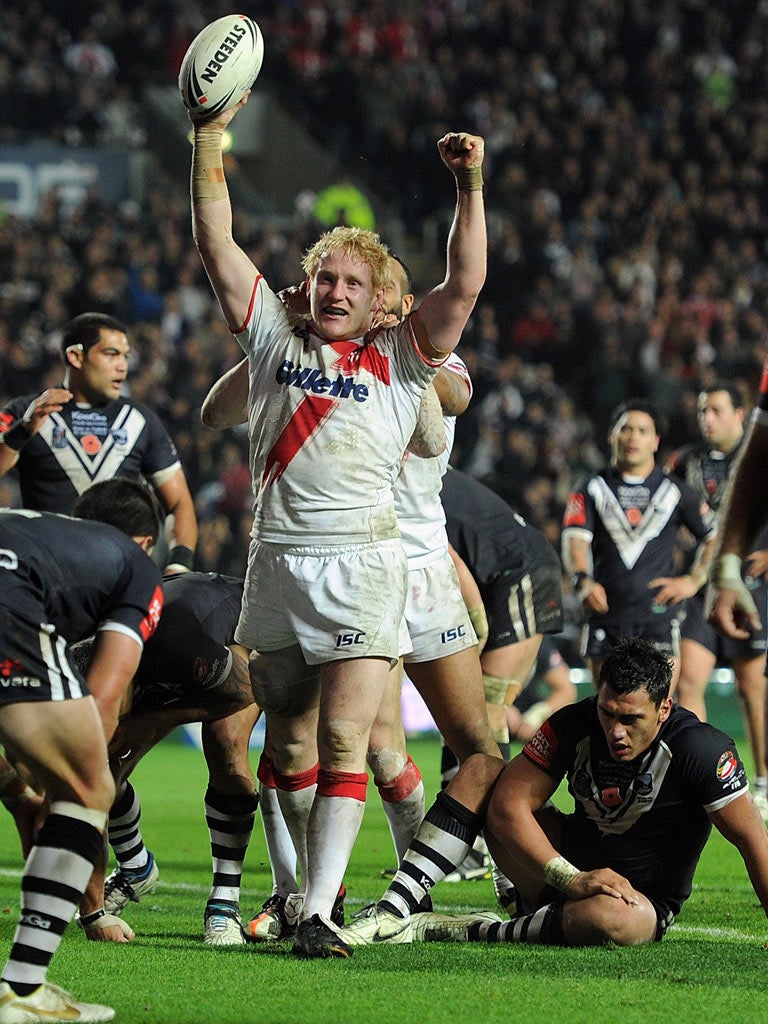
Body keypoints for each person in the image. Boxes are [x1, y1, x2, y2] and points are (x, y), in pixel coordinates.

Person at [189, 88, 486, 958]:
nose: (335, 289)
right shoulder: (275, 343)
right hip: (276, 564)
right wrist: (207, 139)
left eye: (354, 282)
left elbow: (463, 283)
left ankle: (317, 912)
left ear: (379, 300)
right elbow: (216, 241)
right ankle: (300, 892)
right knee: (286, 741)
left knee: (349, 736)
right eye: (326, 275)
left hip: (363, 565)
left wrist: (470, 189)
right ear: (307, 282)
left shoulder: (399, 360)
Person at [338, 635, 768, 950]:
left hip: (636, 902)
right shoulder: (574, 723)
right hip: (560, 871)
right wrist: (572, 877)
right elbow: (508, 806)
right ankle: (394, 910)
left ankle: (465, 928)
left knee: (612, 918)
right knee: (483, 769)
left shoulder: (702, 750)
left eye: (631, 719)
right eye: (607, 712)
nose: (616, 731)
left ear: (664, 710)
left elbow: (753, 839)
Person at [0, 477, 163, 1022]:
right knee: (90, 785)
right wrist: (64, 779)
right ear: (145, 542)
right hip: (8, 600)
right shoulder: (137, 569)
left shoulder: (37, 526)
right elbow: (106, 696)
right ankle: (22, 990)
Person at [71, 571, 261, 948]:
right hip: (151, 661)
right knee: (100, 765)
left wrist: (155, 719)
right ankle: (136, 865)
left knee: (225, 744)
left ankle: (225, 902)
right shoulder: (74, 665)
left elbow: (248, 690)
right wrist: (93, 912)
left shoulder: (177, 646)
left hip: (236, 632)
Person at [436, 466, 565, 882]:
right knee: (460, 711)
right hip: (494, 578)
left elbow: (448, 561)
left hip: (521, 573)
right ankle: (467, 846)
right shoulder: (408, 462)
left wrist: (471, 641)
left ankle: (502, 846)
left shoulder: (399, 479)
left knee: (486, 708)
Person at [0, 311, 198, 575]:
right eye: (111, 354)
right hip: (46, 575)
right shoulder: (27, 411)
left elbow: (178, 502)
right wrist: (22, 431)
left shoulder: (139, 421)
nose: (122, 366)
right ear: (76, 357)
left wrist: (179, 563)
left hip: (117, 578)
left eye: (125, 357)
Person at [561, 399, 717, 689]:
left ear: (656, 441)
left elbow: (713, 537)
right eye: (626, 429)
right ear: (612, 435)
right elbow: (574, 541)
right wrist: (582, 581)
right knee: (607, 710)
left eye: (643, 431)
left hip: (658, 617)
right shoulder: (590, 487)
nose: (633, 437)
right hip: (606, 615)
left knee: (659, 713)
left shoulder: (675, 491)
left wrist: (694, 581)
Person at [666, 384, 768, 816]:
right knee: (689, 681)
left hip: (754, 585)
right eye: (703, 409)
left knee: (753, 689)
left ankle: (763, 782)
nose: (707, 418)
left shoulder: (760, 455)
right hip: (703, 587)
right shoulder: (686, 462)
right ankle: (701, 778)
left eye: (717, 410)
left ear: (741, 415)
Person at [507, 636, 577, 745]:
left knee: (568, 714)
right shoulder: (495, 633)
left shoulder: (539, 639)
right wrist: (501, 708)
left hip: (527, 709)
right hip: (494, 704)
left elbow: (567, 690)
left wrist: (536, 715)